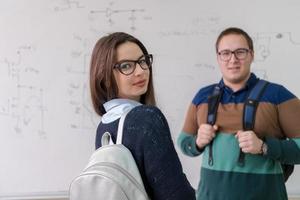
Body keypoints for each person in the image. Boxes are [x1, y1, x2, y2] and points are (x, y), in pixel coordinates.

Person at [177, 27, 300, 200]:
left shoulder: (278, 95)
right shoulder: (202, 97)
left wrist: (264, 146)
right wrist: (197, 142)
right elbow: (183, 142)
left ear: (252, 54)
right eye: (225, 53)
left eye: (240, 52)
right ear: (218, 58)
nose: (232, 60)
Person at [90, 32, 195, 200]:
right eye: (126, 66)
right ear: (105, 77)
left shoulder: (104, 126)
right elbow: (176, 194)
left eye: (142, 61)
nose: (140, 71)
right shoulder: (147, 118)